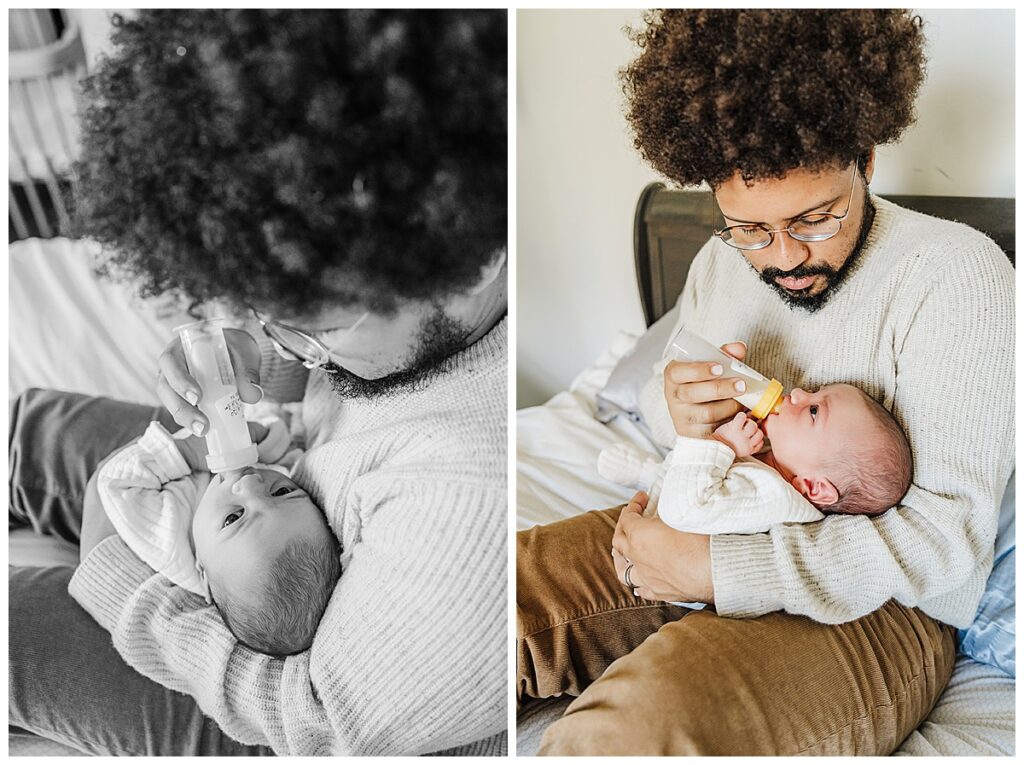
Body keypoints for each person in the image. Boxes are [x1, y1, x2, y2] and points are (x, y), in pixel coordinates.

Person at [10, 9, 507, 756]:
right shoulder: (403, 292)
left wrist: (118, 578)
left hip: (273, 698)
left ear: (469, 266)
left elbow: (317, 719)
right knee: (36, 426)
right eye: (272, 316)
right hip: (280, 485)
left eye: (317, 327)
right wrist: (264, 361)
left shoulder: (471, 505)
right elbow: (333, 378)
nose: (298, 347)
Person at [517, 9, 1013, 755]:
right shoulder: (719, 266)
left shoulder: (958, 277)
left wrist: (714, 568)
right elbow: (663, 407)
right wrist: (680, 414)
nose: (783, 258)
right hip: (708, 515)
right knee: (489, 596)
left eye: (815, 218)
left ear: (867, 160)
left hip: (879, 608)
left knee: (638, 726)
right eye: (749, 228)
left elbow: (945, 544)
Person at [90, 417, 340, 656]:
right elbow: (288, 440)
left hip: (162, 444)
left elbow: (116, 481)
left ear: (202, 570)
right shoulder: (274, 497)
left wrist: (187, 451)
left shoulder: (170, 538)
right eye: (283, 492)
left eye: (234, 518)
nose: (251, 482)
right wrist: (264, 441)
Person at [599, 383, 914, 537]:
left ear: (814, 488)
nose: (799, 392)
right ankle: (650, 474)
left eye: (814, 410)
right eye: (815, 391)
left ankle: (649, 475)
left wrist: (722, 445)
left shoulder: (773, 498)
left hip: (668, 551)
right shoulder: (774, 466)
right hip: (654, 516)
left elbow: (686, 508)